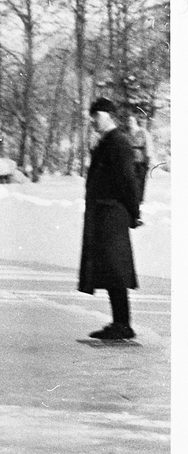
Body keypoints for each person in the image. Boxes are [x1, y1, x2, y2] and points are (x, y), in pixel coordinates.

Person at [79, 97, 142, 341]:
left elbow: (128, 181)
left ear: (108, 115)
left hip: (112, 213)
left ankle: (123, 324)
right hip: (104, 213)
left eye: (97, 115)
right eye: (92, 115)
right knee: (109, 268)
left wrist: (133, 213)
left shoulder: (118, 142)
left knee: (115, 269)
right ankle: (119, 322)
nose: (93, 120)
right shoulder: (108, 142)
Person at [124, 105, 151, 204]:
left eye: (131, 121)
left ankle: (139, 199)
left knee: (140, 180)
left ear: (135, 122)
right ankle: (131, 198)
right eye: (128, 121)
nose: (129, 123)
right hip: (130, 160)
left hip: (140, 160)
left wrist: (147, 159)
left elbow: (148, 147)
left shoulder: (143, 133)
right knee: (131, 180)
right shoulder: (126, 134)